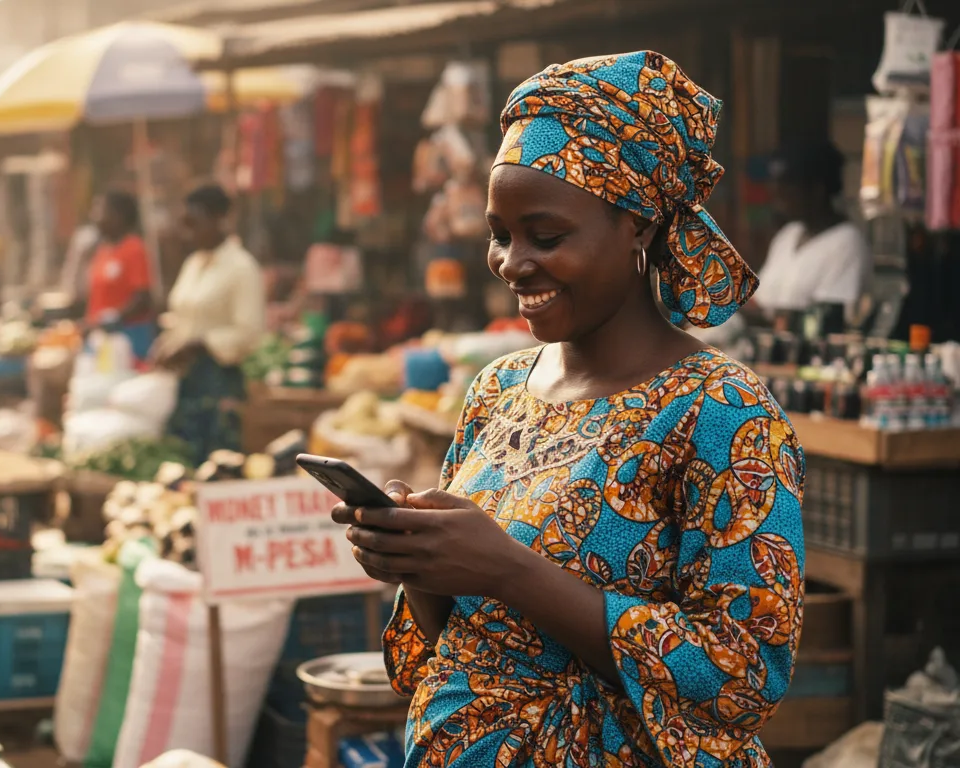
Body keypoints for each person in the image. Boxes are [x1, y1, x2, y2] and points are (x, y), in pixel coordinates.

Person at [333, 52, 806, 767]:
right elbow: (445, 647)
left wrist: (508, 570)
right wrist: (419, 562)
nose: (513, 262)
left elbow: (743, 676)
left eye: (546, 236)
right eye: (500, 234)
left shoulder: (723, 413)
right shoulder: (497, 391)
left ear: (639, 225)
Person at [153, 184, 265, 459]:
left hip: (219, 385)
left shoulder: (242, 268)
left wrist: (199, 344)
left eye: (194, 223)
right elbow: (183, 316)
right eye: (184, 225)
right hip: (186, 382)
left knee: (216, 463)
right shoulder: (193, 263)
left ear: (219, 219)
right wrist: (168, 341)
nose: (187, 233)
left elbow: (250, 333)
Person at [753, 141, 870, 314]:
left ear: (816, 190)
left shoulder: (847, 243)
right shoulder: (788, 235)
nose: (778, 202)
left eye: (786, 193)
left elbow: (827, 318)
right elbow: (760, 300)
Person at [85, 191, 156, 359]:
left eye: (99, 210)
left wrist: (112, 318)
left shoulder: (134, 249)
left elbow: (142, 298)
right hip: (102, 338)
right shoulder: (103, 250)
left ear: (118, 215)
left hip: (129, 337)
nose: (94, 216)